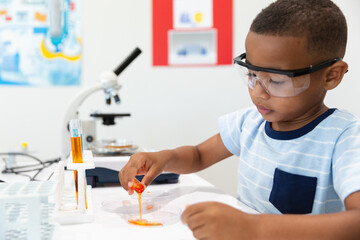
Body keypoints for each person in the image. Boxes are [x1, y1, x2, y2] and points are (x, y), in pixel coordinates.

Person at [119, 0, 360, 238]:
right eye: (252, 74)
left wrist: (255, 228)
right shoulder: (250, 123)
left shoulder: (344, 138)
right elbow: (199, 155)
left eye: (276, 81)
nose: (257, 92)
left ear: (331, 76)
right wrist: (162, 158)